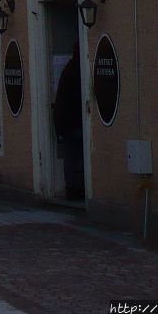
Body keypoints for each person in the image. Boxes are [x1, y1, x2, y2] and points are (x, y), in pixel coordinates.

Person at [53, 43, 85, 201]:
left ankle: (73, 189)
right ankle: (75, 189)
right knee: (75, 157)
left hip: (67, 122)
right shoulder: (76, 69)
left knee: (72, 157)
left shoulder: (70, 68)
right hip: (73, 122)